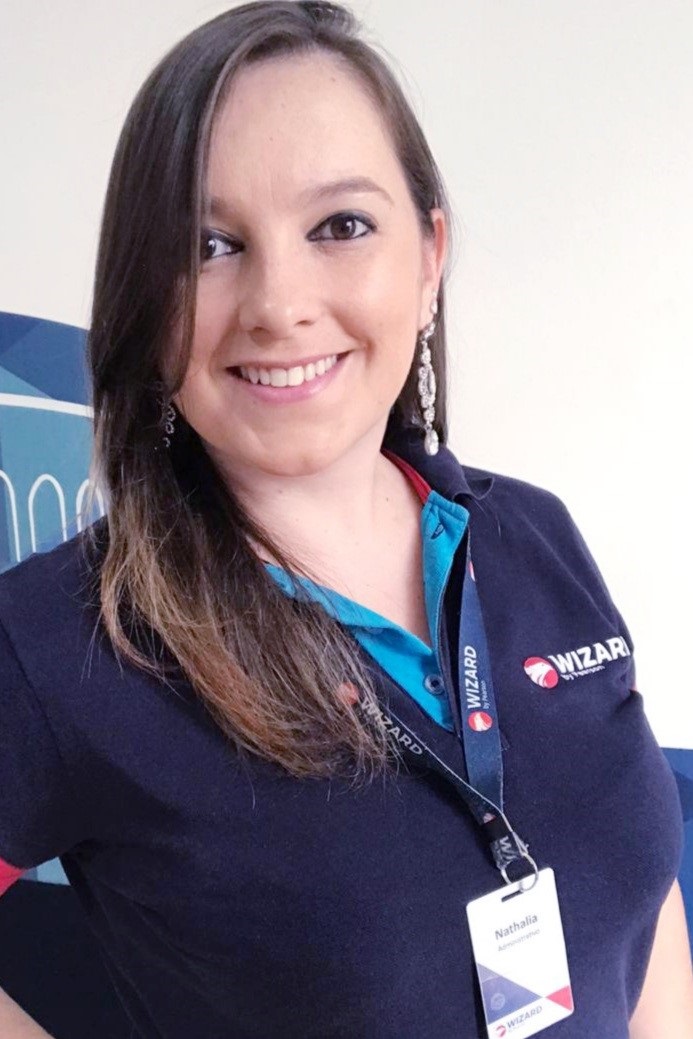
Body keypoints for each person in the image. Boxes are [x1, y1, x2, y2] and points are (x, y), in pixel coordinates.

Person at [0, 2, 690, 1036]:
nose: (278, 302)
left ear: (428, 256)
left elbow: (643, 894)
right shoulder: (62, 643)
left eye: (340, 227)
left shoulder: (531, 535)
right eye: (209, 244)